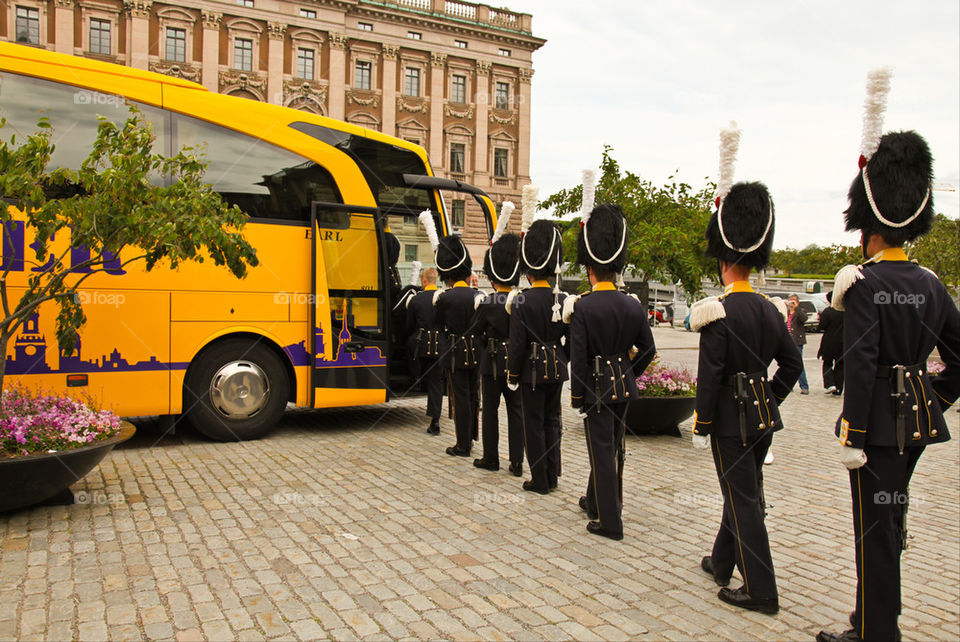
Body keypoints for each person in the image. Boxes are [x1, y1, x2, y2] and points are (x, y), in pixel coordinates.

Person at [816, 119, 959, 641]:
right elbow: (958, 359)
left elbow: (859, 362)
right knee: (888, 523)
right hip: (914, 426)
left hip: (873, 430)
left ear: (868, 227)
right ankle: (874, 616)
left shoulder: (866, 284)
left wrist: (853, 431)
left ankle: (876, 632)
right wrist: (931, 398)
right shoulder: (932, 285)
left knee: (874, 531)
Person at [690, 124, 802, 616]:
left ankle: (762, 589)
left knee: (745, 501)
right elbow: (794, 364)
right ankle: (720, 560)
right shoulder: (769, 309)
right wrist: (770, 396)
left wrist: (703, 423)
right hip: (762, 419)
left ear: (723, 260)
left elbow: (711, 376)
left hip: (732, 424)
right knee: (743, 492)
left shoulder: (717, 310)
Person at [566, 196, 655, 541]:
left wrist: (578, 396)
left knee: (602, 452)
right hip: (623, 387)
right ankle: (595, 500)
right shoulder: (632, 305)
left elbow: (579, 357)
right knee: (611, 447)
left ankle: (610, 522)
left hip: (596, 389)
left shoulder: (583, 307)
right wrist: (630, 373)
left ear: (590, 269)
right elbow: (648, 349)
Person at [507, 196, 568, 495]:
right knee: (552, 420)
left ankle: (540, 480)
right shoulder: (563, 299)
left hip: (531, 370)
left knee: (534, 424)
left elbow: (517, 343)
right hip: (557, 366)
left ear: (529, 268)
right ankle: (553, 475)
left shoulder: (522, 299)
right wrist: (562, 358)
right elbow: (571, 337)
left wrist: (513, 374)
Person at [472, 202, 524, 475]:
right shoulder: (521, 300)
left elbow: (474, 331)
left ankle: (491, 457)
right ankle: (517, 462)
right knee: (516, 412)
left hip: (491, 362)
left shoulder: (489, 303)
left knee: (490, 411)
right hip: (514, 362)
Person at [432, 232, 482, 458]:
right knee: (473, 395)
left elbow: (439, 325)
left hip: (455, 352)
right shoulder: (478, 295)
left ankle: (463, 444)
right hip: (477, 352)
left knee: (461, 398)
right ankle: (471, 436)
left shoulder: (444, 298)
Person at [405, 266, 444, 434]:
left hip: (421, 345)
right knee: (437, 382)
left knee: (407, 346)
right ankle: (435, 419)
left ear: (424, 281)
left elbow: (408, 325)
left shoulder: (416, 300)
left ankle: (415, 377)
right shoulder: (444, 298)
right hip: (440, 344)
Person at [817, 291, 844, 396]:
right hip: (843, 343)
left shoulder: (828, 311)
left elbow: (821, 327)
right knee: (840, 365)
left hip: (829, 342)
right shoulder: (847, 311)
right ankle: (839, 388)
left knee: (827, 363)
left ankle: (830, 384)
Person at [787, 294, 809, 394]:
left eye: (794, 300)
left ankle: (804, 386)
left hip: (797, 341)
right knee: (787, 364)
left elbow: (804, 319)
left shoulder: (800, 311)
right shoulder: (786, 311)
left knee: (798, 363)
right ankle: (788, 385)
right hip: (787, 340)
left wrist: (797, 308)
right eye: (790, 300)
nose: (791, 302)